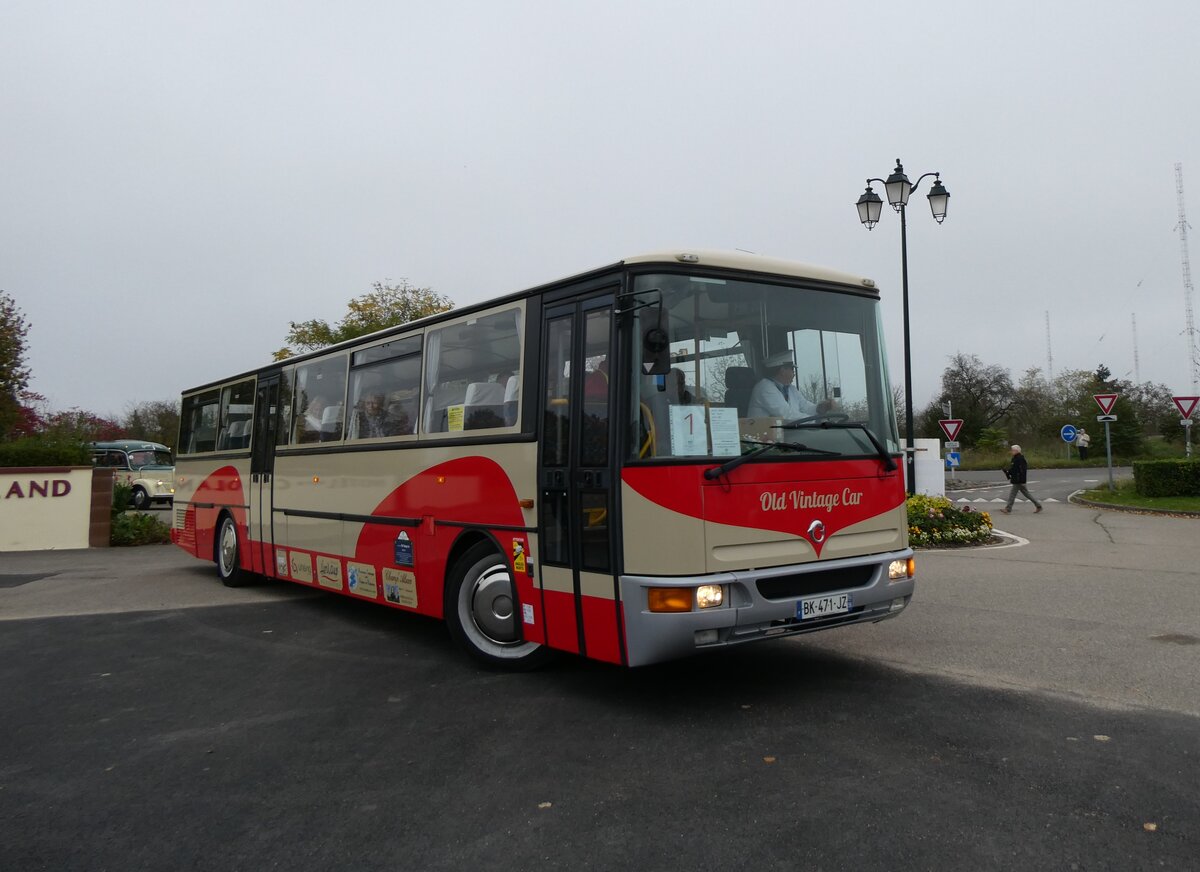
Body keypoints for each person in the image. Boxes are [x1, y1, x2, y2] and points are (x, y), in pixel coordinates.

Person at [746, 351, 816, 420]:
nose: (794, 373)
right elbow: (786, 415)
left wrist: (821, 408)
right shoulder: (764, 387)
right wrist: (816, 420)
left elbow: (805, 407)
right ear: (782, 371)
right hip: (763, 431)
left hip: (785, 430)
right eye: (792, 369)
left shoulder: (791, 389)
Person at [1001, 444, 1042, 513]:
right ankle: (1038, 505)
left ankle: (1008, 508)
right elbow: (1013, 469)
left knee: (1012, 494)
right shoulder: (1015, 458)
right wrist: (1008, 472)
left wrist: (1016, 477)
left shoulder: (1020, 459)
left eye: (1012, 450)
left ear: (1016, 451)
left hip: (1018, 480)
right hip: (1018, 479)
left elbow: (1021, 470)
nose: (1011, 451)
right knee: (1027, 494)